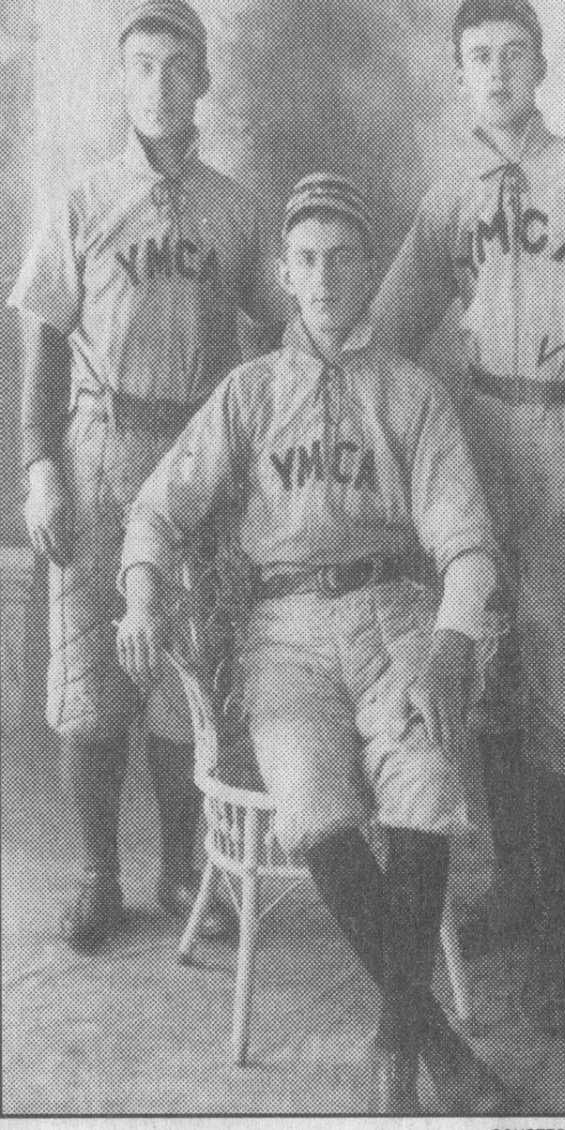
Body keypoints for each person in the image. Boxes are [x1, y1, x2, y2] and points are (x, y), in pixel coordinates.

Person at [116, 172, 518, 1114]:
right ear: (284, 277)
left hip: (394, 620)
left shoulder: (413, 396)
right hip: (284, 638)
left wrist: (453, 642)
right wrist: (139, 599)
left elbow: (467, 544)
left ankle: (394, 1042)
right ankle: (432, 1046)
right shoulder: (249, 393)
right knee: (316, 805)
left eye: (343, 259)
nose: (326, 278)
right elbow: (155, 512)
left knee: (423, 779)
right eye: (306, 262)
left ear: (370, 269)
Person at [372, 0, 565, 1034]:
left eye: (512, 53)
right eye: (477, 57)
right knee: (479, 681)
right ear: (459, 75)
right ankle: (516, 886)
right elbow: (387, 331)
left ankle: (558, 945)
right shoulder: (449, 199)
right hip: (479, 442)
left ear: (541, 63)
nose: (496, 72)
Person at [8, 0, 278, 952]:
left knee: (182, 666)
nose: (158, 84)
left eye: (176, 66)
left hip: (198, 458)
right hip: (98, 445)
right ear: (123, 82)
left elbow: (284, 329)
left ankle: (181, 868)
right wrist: (39, 466)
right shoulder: (84, 200)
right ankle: (97, 876)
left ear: (202, 80)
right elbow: (41, 339)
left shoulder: (235, 210)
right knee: (90, 667)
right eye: (141, 67)